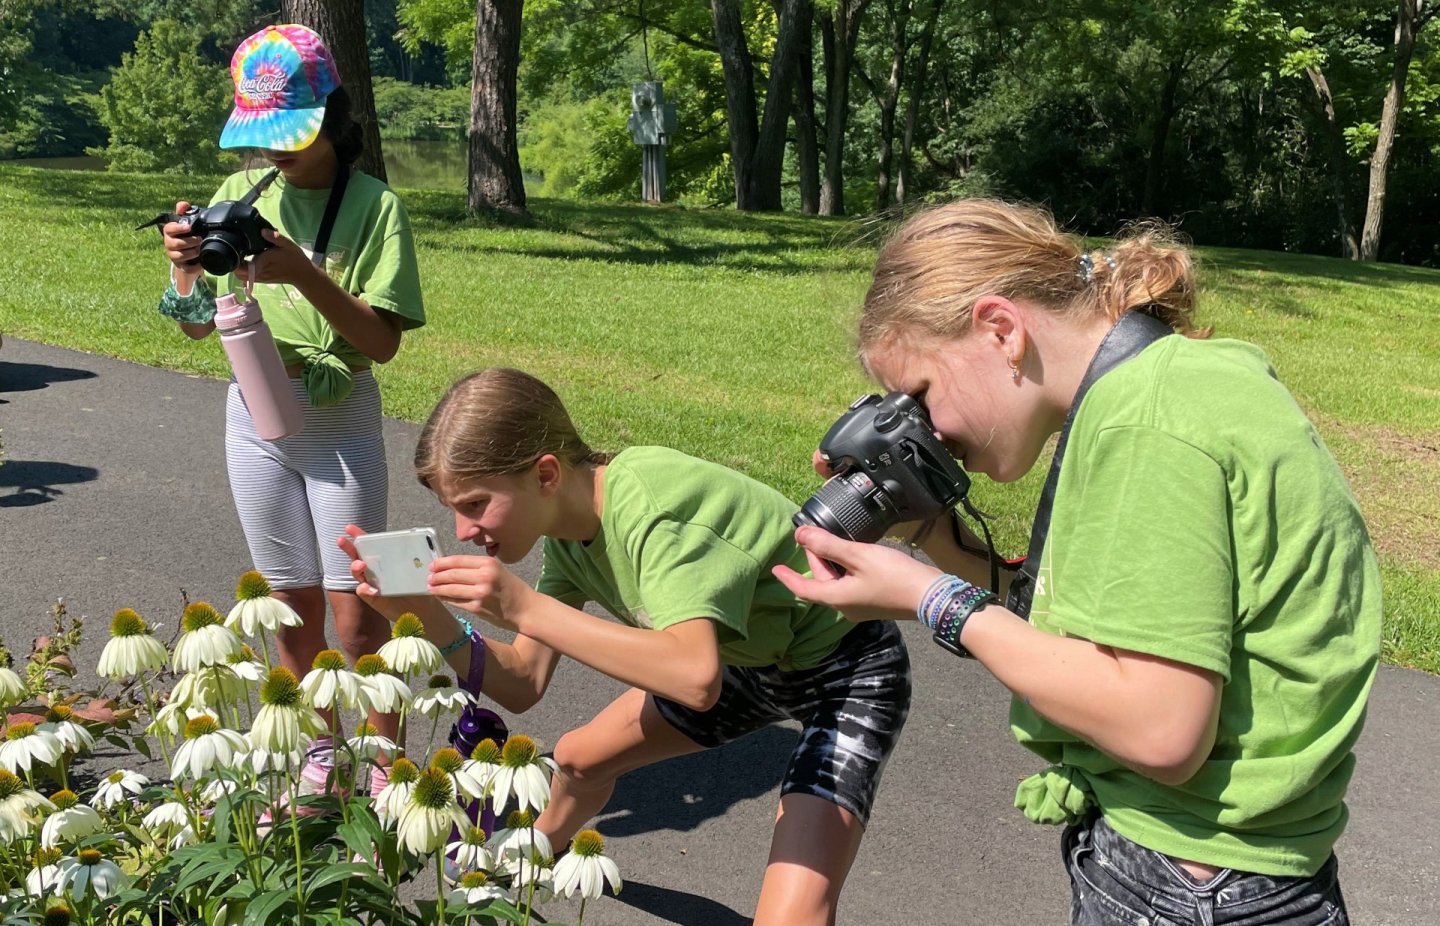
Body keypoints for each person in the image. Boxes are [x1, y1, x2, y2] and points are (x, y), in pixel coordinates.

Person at [773, 199, 1380, 924]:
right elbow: (1100, 626)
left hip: (1192, 884)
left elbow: (1160, 729)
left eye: (924, 396)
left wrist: (932, 599)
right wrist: (931, 538)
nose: (929, 432)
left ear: (1001, 328)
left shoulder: (1145, 426)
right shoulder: (1171, 383)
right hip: (1233, 869)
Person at [338, 367, 912, 926]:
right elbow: (522, 682)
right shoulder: (570, 538)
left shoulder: (651, 508)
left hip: (849, 669)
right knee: (578, 758)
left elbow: (693, 677)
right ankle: (536, 851)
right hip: (751, 661)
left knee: (792, 914)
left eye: (475, 504)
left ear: (544, 475)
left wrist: (524, 607)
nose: (464, 531)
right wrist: (427, 617)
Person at [156, 24, 424, 790]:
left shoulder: (376, 207)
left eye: (291, 136)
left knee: (357, 613)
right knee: (290, 603)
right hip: (255, 414)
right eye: (263, 137)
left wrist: (299, 273)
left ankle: (385, 758)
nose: (275, 153)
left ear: (331, 118)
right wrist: (182, 273)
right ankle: (321, 751)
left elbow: (381, 343)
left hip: (339, 425)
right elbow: (195, 325)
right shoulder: (241, 198)